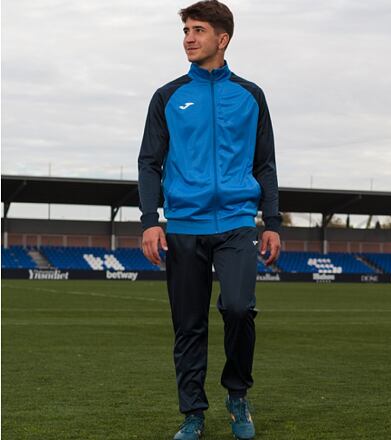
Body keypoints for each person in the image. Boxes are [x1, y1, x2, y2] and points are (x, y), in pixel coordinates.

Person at [137, 1, 281, 439]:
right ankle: (193, 414)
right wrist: (150, 219)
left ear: (223, 38)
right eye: (185, 30)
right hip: (183, 225)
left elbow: (265, 164)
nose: (188, 38)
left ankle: (237, 394)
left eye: (198, 30)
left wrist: (272, 221)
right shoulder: (167, 97)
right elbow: (150, 163)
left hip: (237, 221)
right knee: (189, 325)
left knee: (238, 309)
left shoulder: (251, 96)